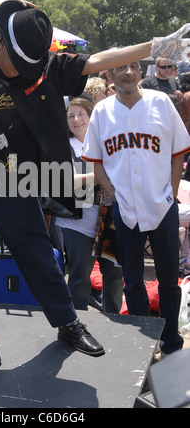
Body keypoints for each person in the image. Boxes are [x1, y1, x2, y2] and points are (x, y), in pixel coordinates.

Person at [0, 0, 186, 372]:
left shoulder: (44, 66)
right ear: (1, 43)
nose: (27, 72)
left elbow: (98, 61)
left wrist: (154, 45)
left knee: (37, 255)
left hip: (14, 180)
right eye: (19, 64)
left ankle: (69, 324)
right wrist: (2, 9)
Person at [82, 61, 190, 356]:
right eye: (120, 68)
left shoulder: (160, 103)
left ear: (141, 73)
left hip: (162, 206)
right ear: (110, 75)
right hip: (124, 209)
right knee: (132, 281)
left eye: (133, 67)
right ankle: (143, 345)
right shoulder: (102, 111)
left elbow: (178, 152)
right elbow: (95, 161)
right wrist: (114, 195)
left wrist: (170, 192)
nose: (128, 72)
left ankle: (171, 343)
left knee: (169, 281)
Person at [55, 97, 123, 313]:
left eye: (81, 114)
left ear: (91, 115)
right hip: (77, 223)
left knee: (114, 275)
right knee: (79, 277)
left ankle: (115, 321)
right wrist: (98, 176)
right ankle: (77, 323)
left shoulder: (106, 142)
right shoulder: (62, 148)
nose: (76, 120)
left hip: (109, 221)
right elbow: (61, 181)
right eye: (70, 116)